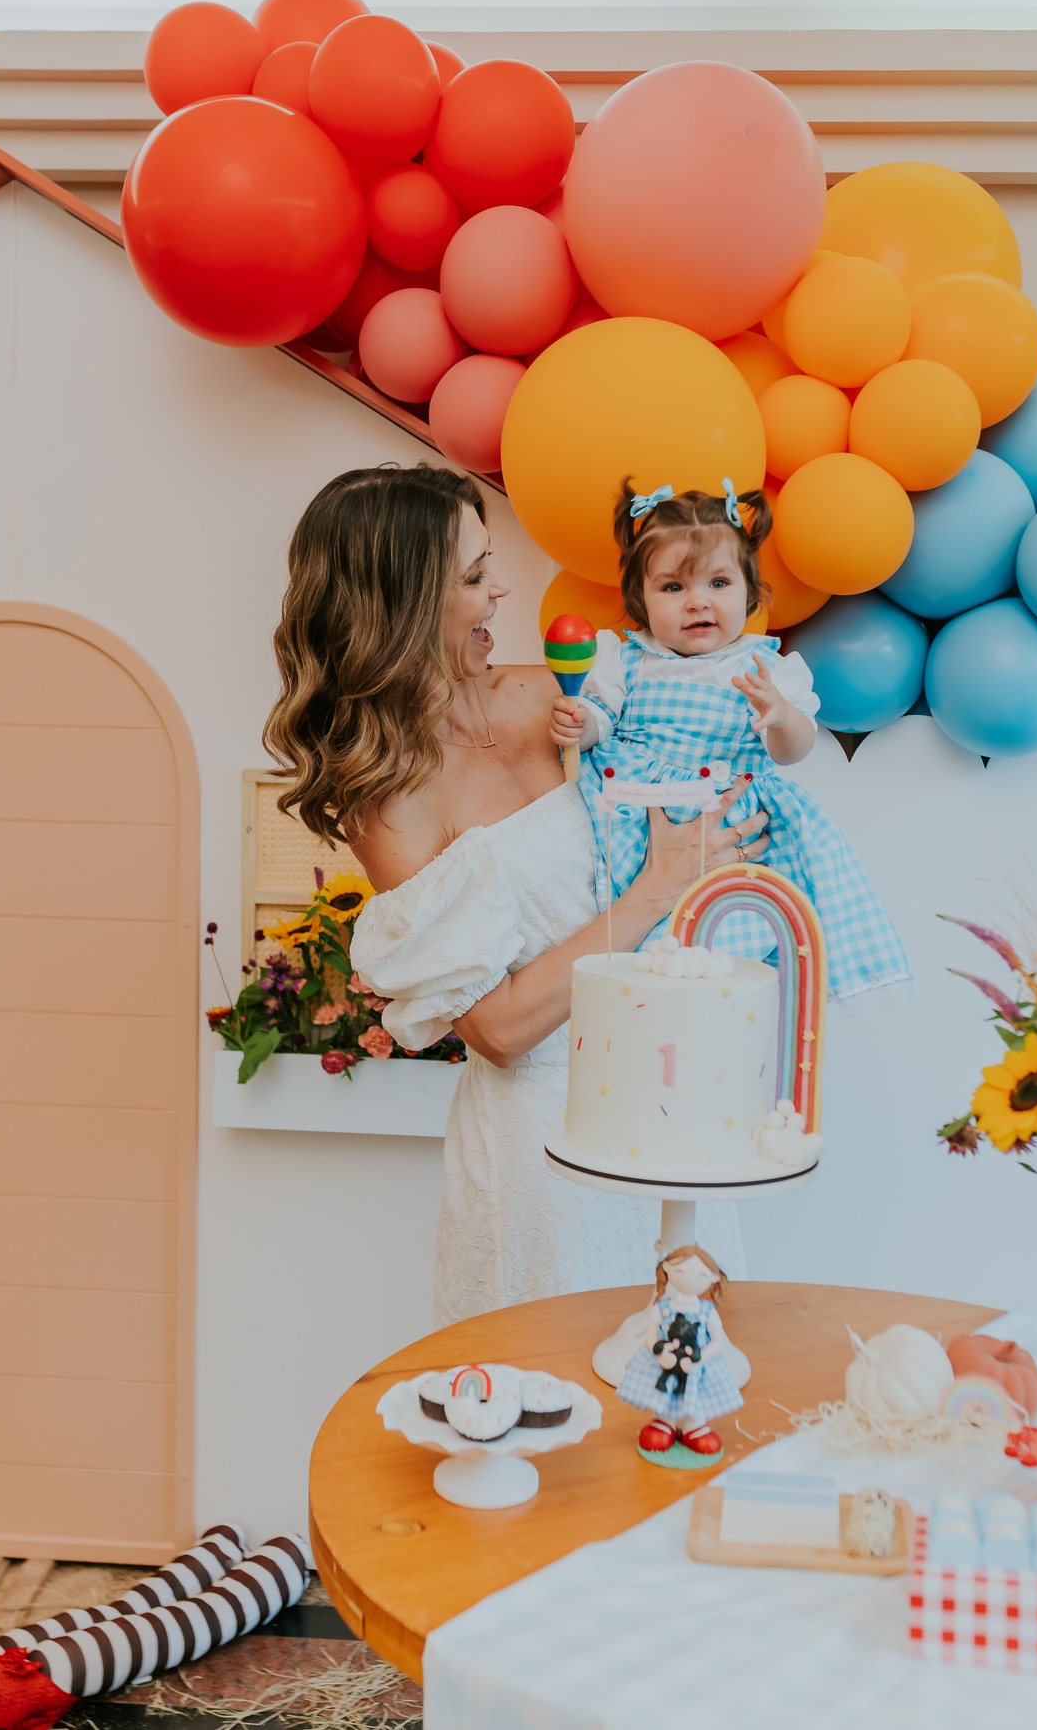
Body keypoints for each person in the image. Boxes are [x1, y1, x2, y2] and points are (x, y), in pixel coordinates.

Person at [263, 464, 770, 1326]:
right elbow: (494, 1029)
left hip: (672, 1102)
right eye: (472, 576)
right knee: (554, 1411)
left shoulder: (554, 695)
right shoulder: (387, 798)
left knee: (695, 1377)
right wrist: (653, 893)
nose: (502, 588)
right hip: (544, 1154)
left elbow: (711, 740)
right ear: (402, 603)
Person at [549, 476, 911, 1009]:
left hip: (725, 817)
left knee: (717, 943)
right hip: (633, 813)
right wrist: (584, 727)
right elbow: (603, 715)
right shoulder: (626, 657)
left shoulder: (766, 670)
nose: (698, 602)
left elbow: (793, 750)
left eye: (718, 584)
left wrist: (779, 715)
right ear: (640, 600)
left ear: (751, 591)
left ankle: (708, 1014)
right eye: (673, 588)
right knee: (624, 941)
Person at [615, 1245, 742, 1457]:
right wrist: (659, 1352)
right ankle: (665, 1422)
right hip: (666, 1360)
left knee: (694, 1393)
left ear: (712, 1277)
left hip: (696, 1365)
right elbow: (650, 1334)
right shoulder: (663, 1306)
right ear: (666, 1267)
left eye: (700, 1273)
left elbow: (717, 1341)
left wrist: (699, 1360)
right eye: (679, 1271)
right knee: (667, 1391)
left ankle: (694, 1426)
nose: (686, 1278)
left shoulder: (707, 1311)